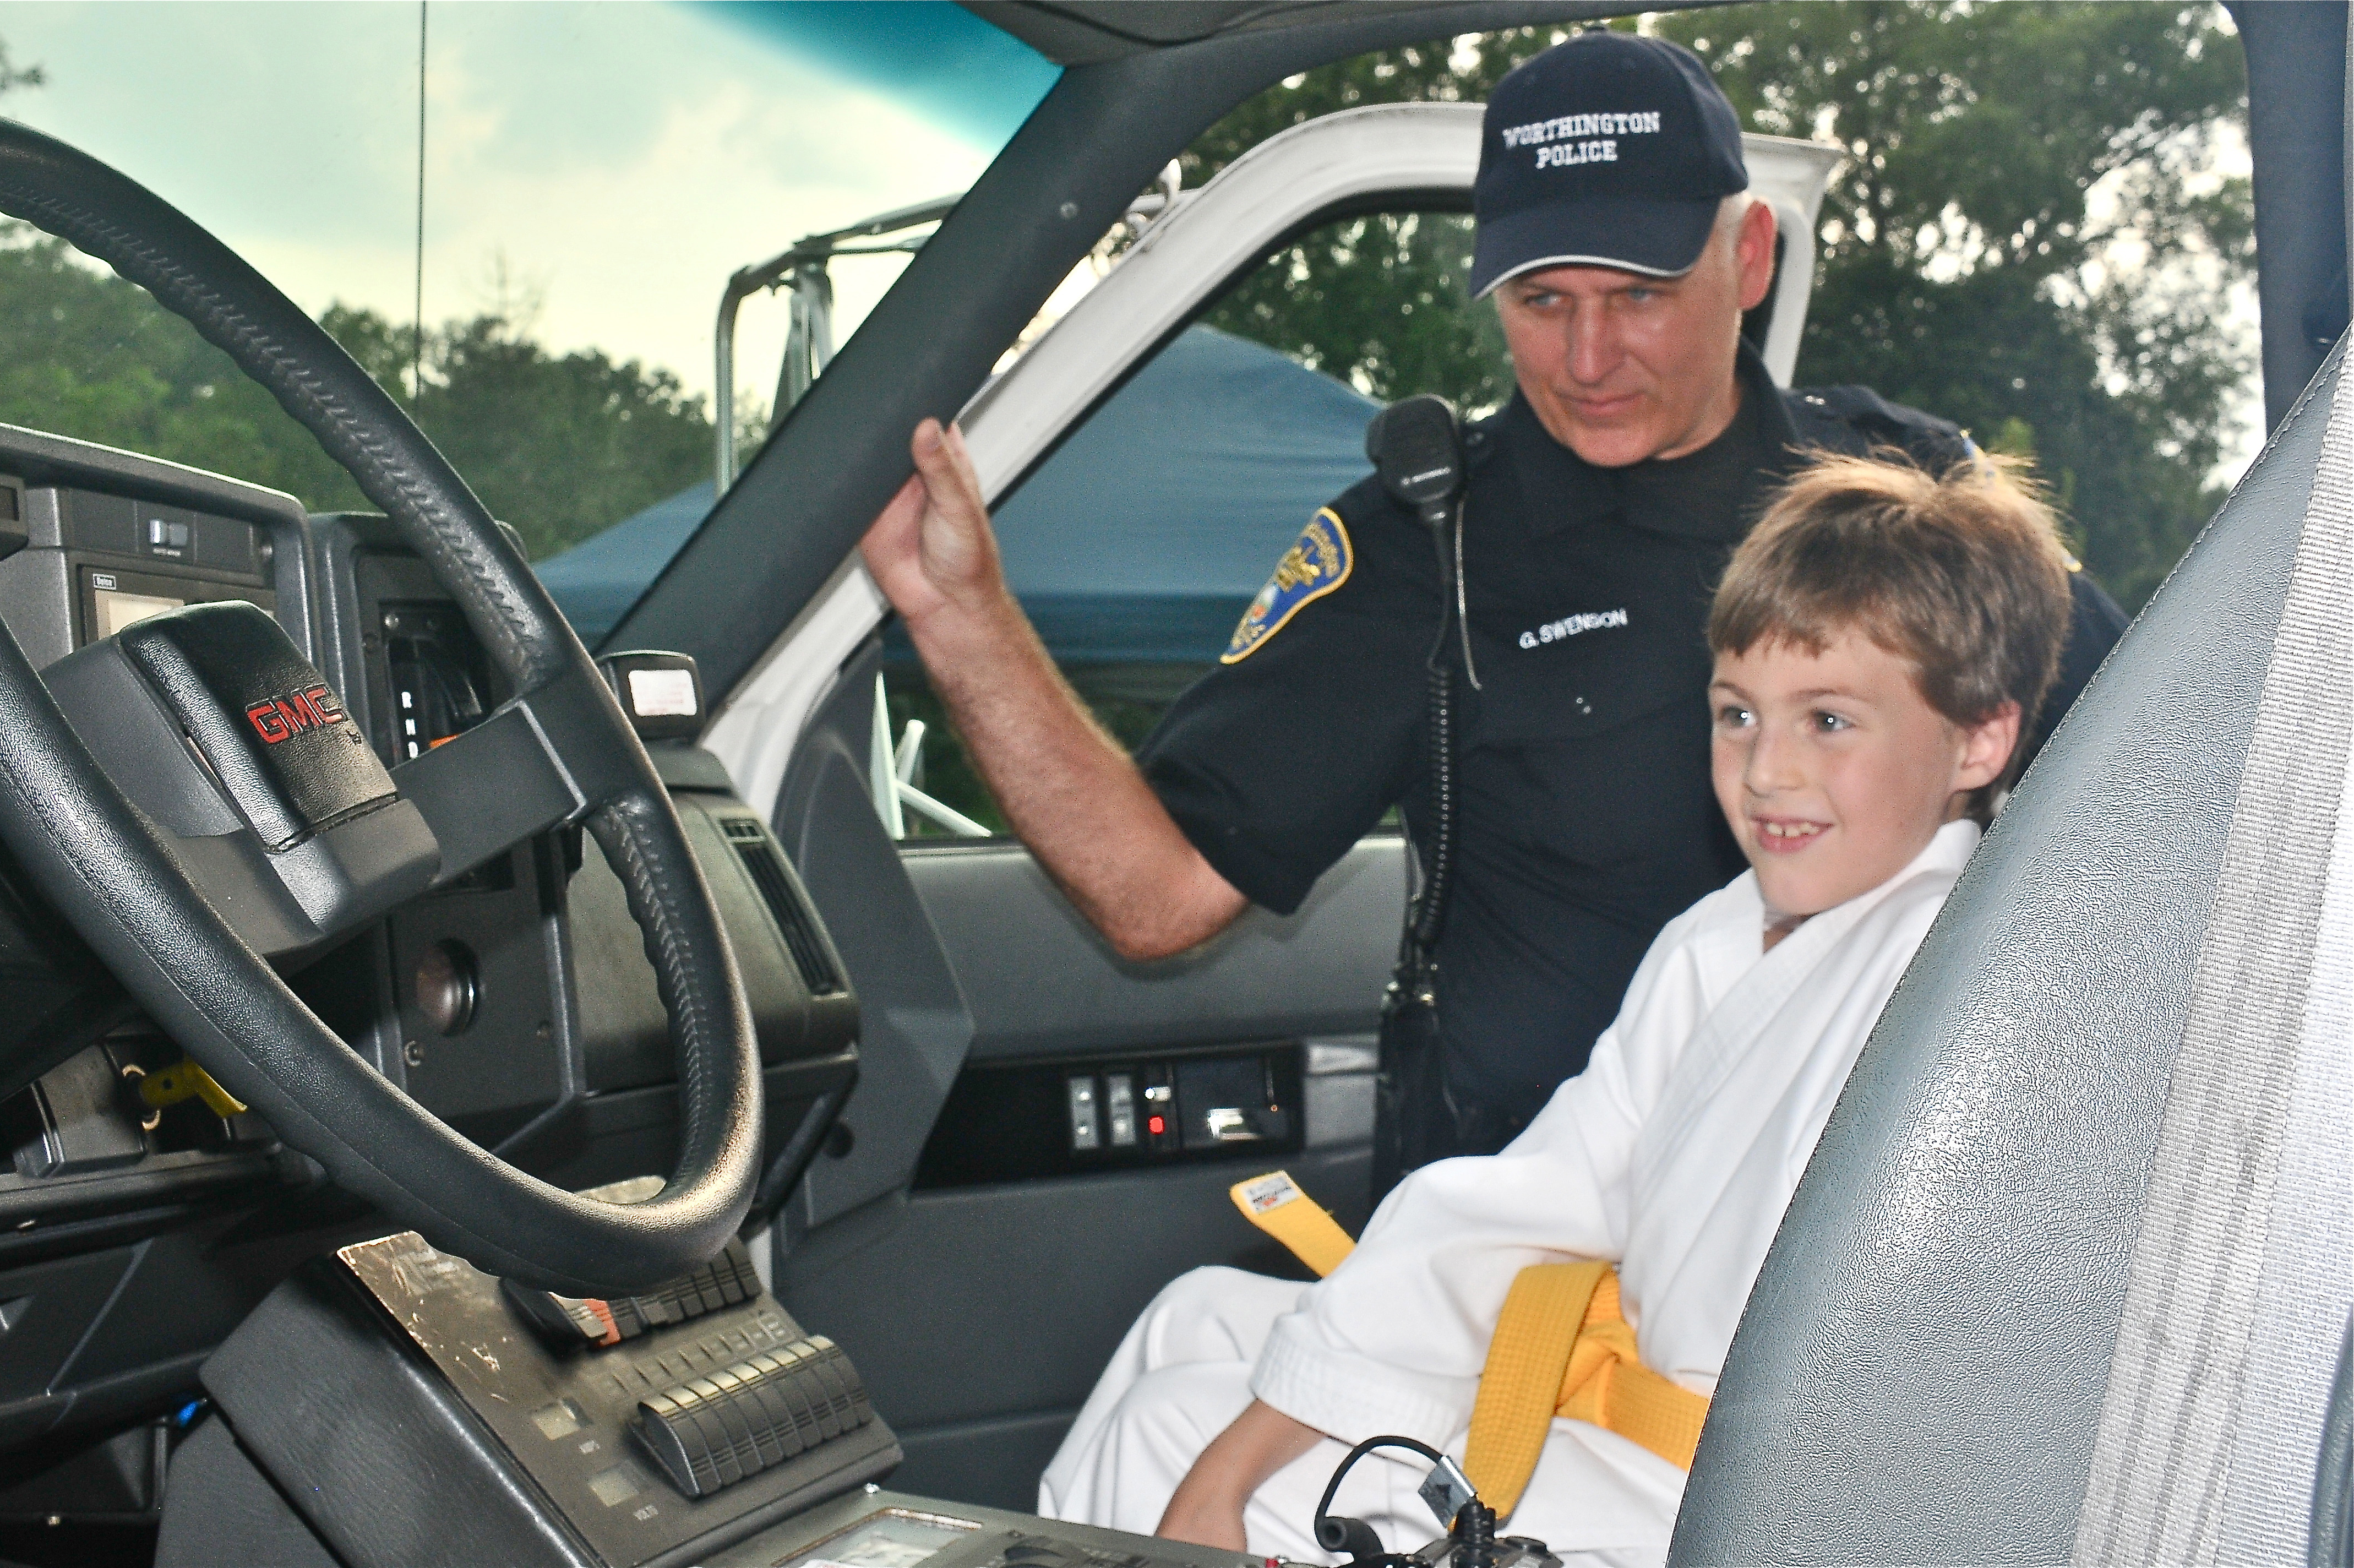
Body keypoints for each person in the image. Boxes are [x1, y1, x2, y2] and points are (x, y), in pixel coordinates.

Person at [859, 31, 2127, 1169]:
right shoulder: (1427, 541)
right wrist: (959, 618)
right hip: (1532, 1243)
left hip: (1863, 1204)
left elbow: (2151, 768)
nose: (1586, 359)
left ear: (1747, 256)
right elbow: (1157, 891)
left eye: (1636, 295)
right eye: (1540, 301)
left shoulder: (1904, 495)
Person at [1033, 452, 2078, 1568]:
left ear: (1979, 739)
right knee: (1189, 1318)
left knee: (1167, 1435)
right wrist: (1257, 1436)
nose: (1766, 770)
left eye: (1827, 720)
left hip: (1743, 1507)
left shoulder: (1954, 980)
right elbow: (1530, 1204)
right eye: (1736, 713)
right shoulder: (1723, 938)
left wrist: (1228, 1468)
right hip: (1639, 1427)